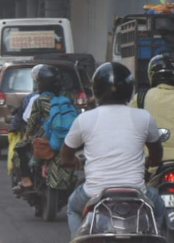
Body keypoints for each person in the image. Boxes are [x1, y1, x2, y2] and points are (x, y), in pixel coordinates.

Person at [60, 62, 166, 236]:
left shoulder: (85, 119)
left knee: (72, 207)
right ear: (130, 89)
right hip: (136, 192)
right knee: (159, 207)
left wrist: (71, 161)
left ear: (96, 90)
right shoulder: (143, 117)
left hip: (94, 193)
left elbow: (65, 153)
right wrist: (151, 161)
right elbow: (156, 152)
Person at [12, 64, 75, 195]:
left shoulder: (40, 100)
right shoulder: (67, 98)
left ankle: (26, 180)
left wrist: (27, 135)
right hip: (68, 136)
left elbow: (31, 123)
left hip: (45, 135)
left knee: (19, 148)